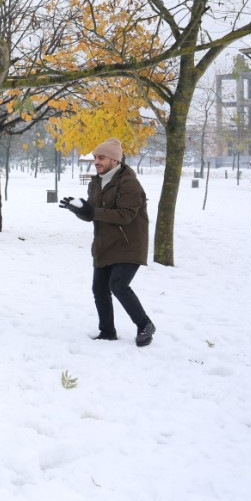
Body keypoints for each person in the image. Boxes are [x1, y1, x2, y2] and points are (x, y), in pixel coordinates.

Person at [60, 138, 155, 346]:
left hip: (129, 244)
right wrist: (79, 210)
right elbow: (93, 215)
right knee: (99, 288)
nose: (96, 161)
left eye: (101, 157)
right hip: (104, 244)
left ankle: (145, 325)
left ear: (114, 160)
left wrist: (92, 211)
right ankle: (107, 331)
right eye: (95, 158)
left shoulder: (129, 183)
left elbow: (126, 215)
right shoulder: (96, 182)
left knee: (118, 285)